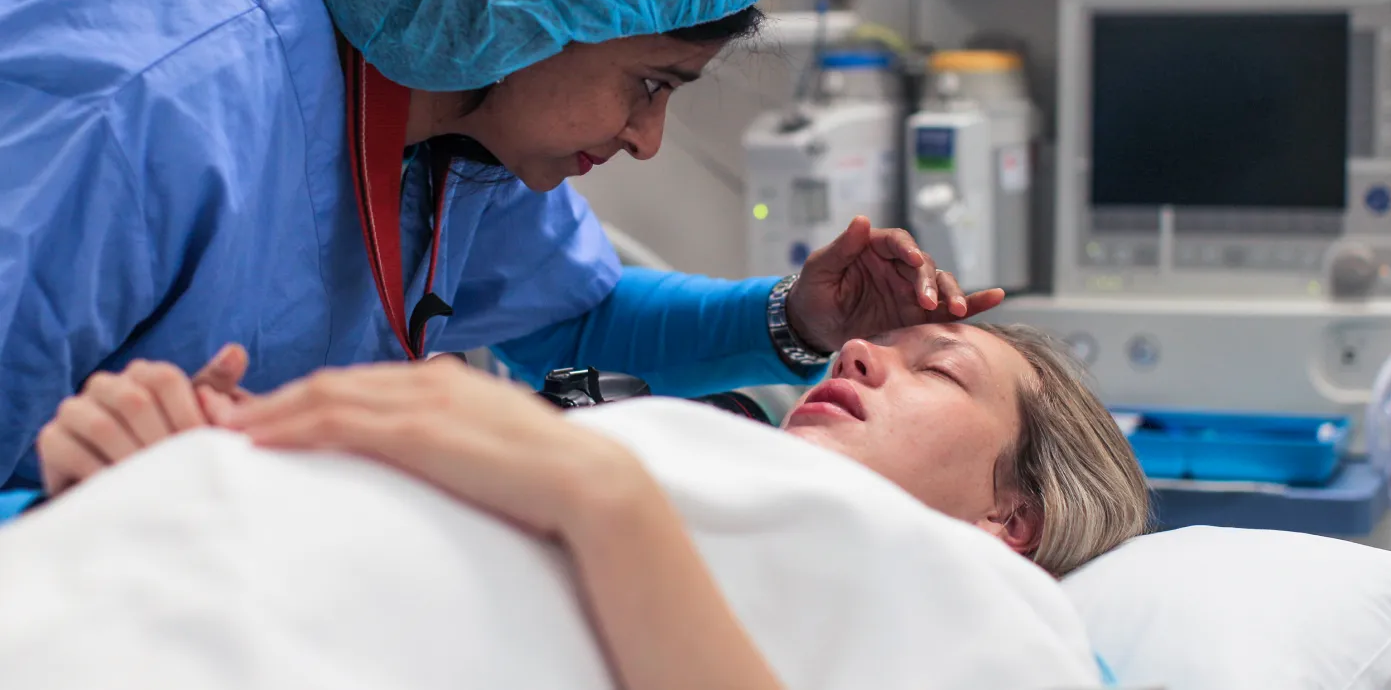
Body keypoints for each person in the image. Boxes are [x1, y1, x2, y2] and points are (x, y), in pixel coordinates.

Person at [0, 0, 1000, 495]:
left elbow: (563, 319)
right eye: (646, 86)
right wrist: (92, 505)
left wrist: (794, 318)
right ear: (530, 15)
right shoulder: (142, 99)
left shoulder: (459, 92)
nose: (645, 140)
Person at [8, 320, 1150, 690]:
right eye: (875, 339)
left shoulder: (1005, 614)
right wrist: (148, 461)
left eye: (938, 368)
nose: (857, 347)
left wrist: (602, 502)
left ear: (1016, 517)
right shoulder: (684, 449)